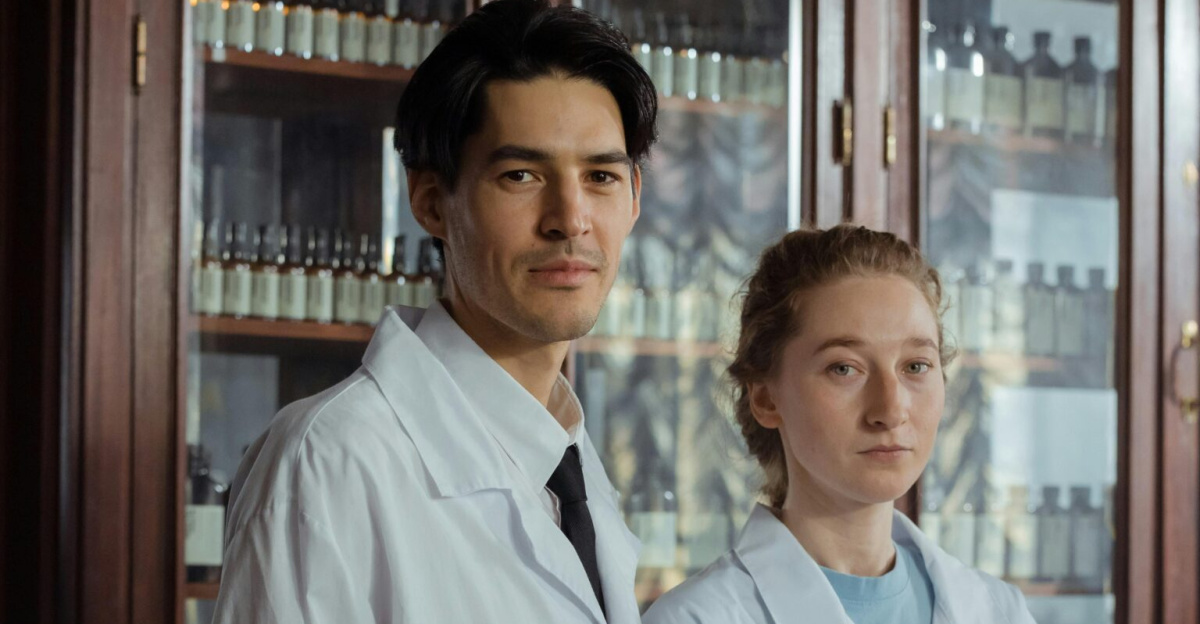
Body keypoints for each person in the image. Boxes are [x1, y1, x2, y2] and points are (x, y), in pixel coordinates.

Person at [211, 1, 657, 622]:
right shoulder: (330, 463)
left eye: (601, 177)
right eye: (522, 174)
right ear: (430, 202)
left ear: (635, 199)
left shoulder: (571, 466)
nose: (572, 219)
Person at [642, 225, 1036, 624]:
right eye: (844, 368)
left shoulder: (998, 610)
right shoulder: (696, 617)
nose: (891, 408)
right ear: (765, 398)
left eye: (916, 366)